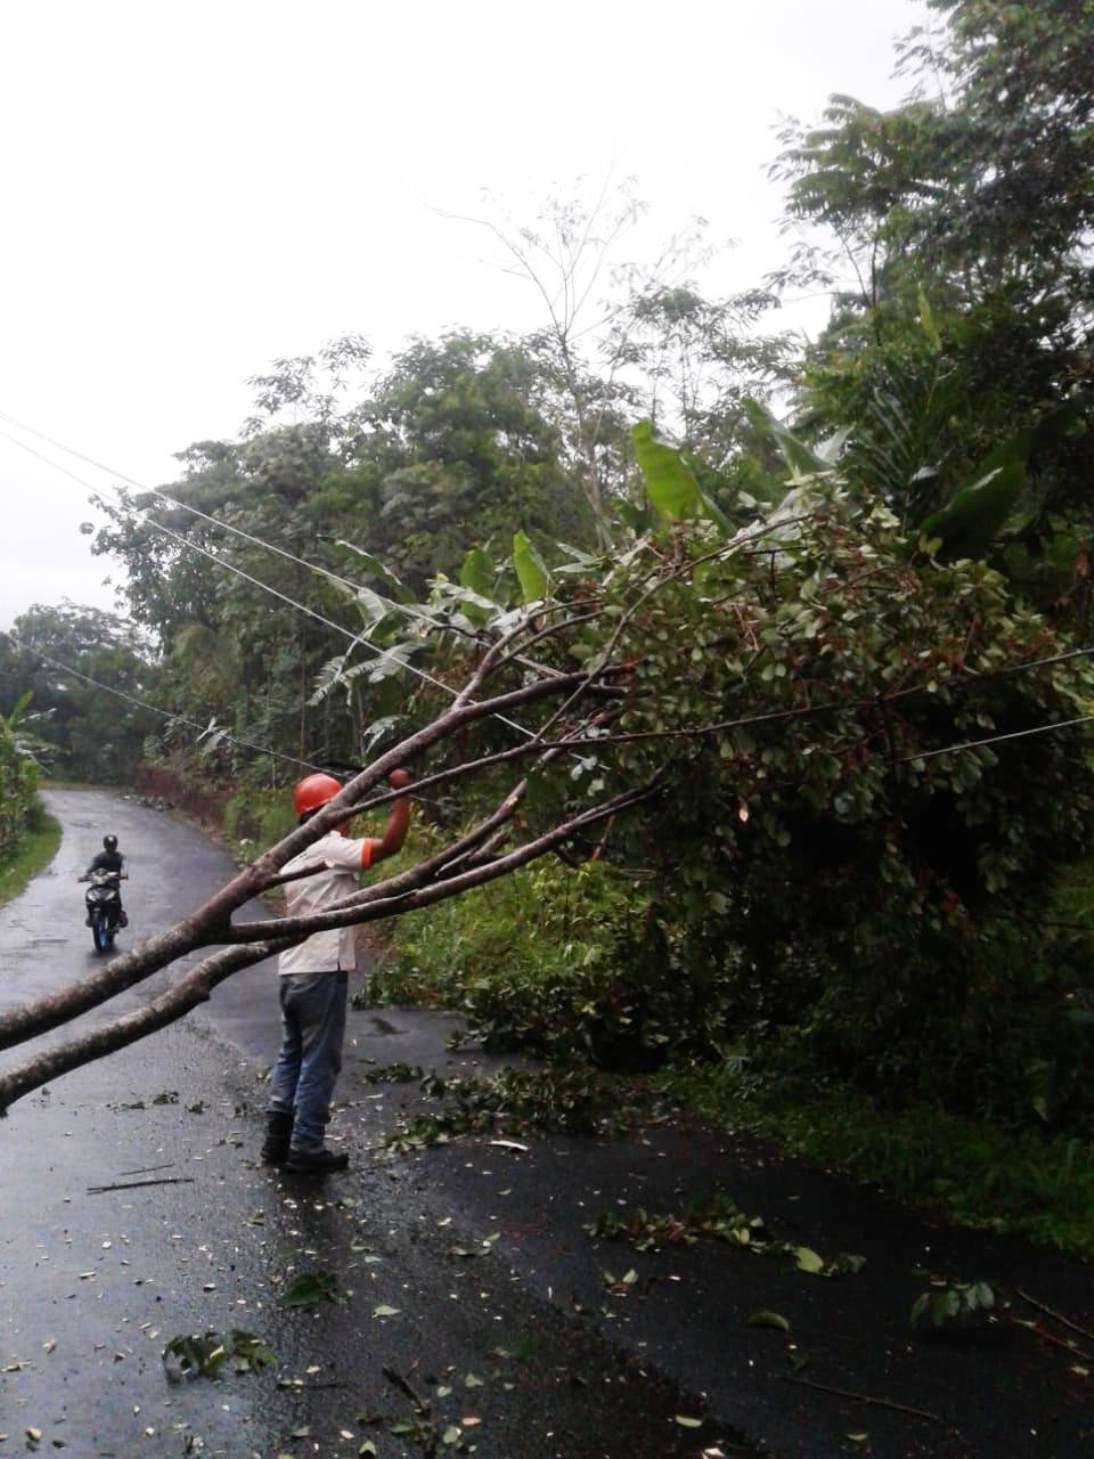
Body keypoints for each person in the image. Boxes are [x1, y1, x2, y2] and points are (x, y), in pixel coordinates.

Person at [262, 768, 412, 1174]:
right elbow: (390, 846)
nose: (349, 816)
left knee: (292, 1054)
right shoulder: (330, 846)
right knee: (319, 1061)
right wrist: (403, 794)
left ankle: (277, 1140)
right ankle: (305, 1146)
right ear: (328, 812)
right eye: (343, 807)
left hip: (291, 971)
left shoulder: (292, 851)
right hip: (321, 969)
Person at [79, 835, 128, 927]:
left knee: (116, 901)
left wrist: (123, 874)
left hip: (112, 884)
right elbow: (91, 869)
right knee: (89, 894)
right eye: (108, 845)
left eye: (112, 845)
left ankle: (119, 915)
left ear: (116, 845)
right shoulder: (99, 858)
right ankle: (90, 915)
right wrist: (85, 876)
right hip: (99, 883)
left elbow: (125, 867)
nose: (111, 847)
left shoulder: (120, 857)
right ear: (105, 845)